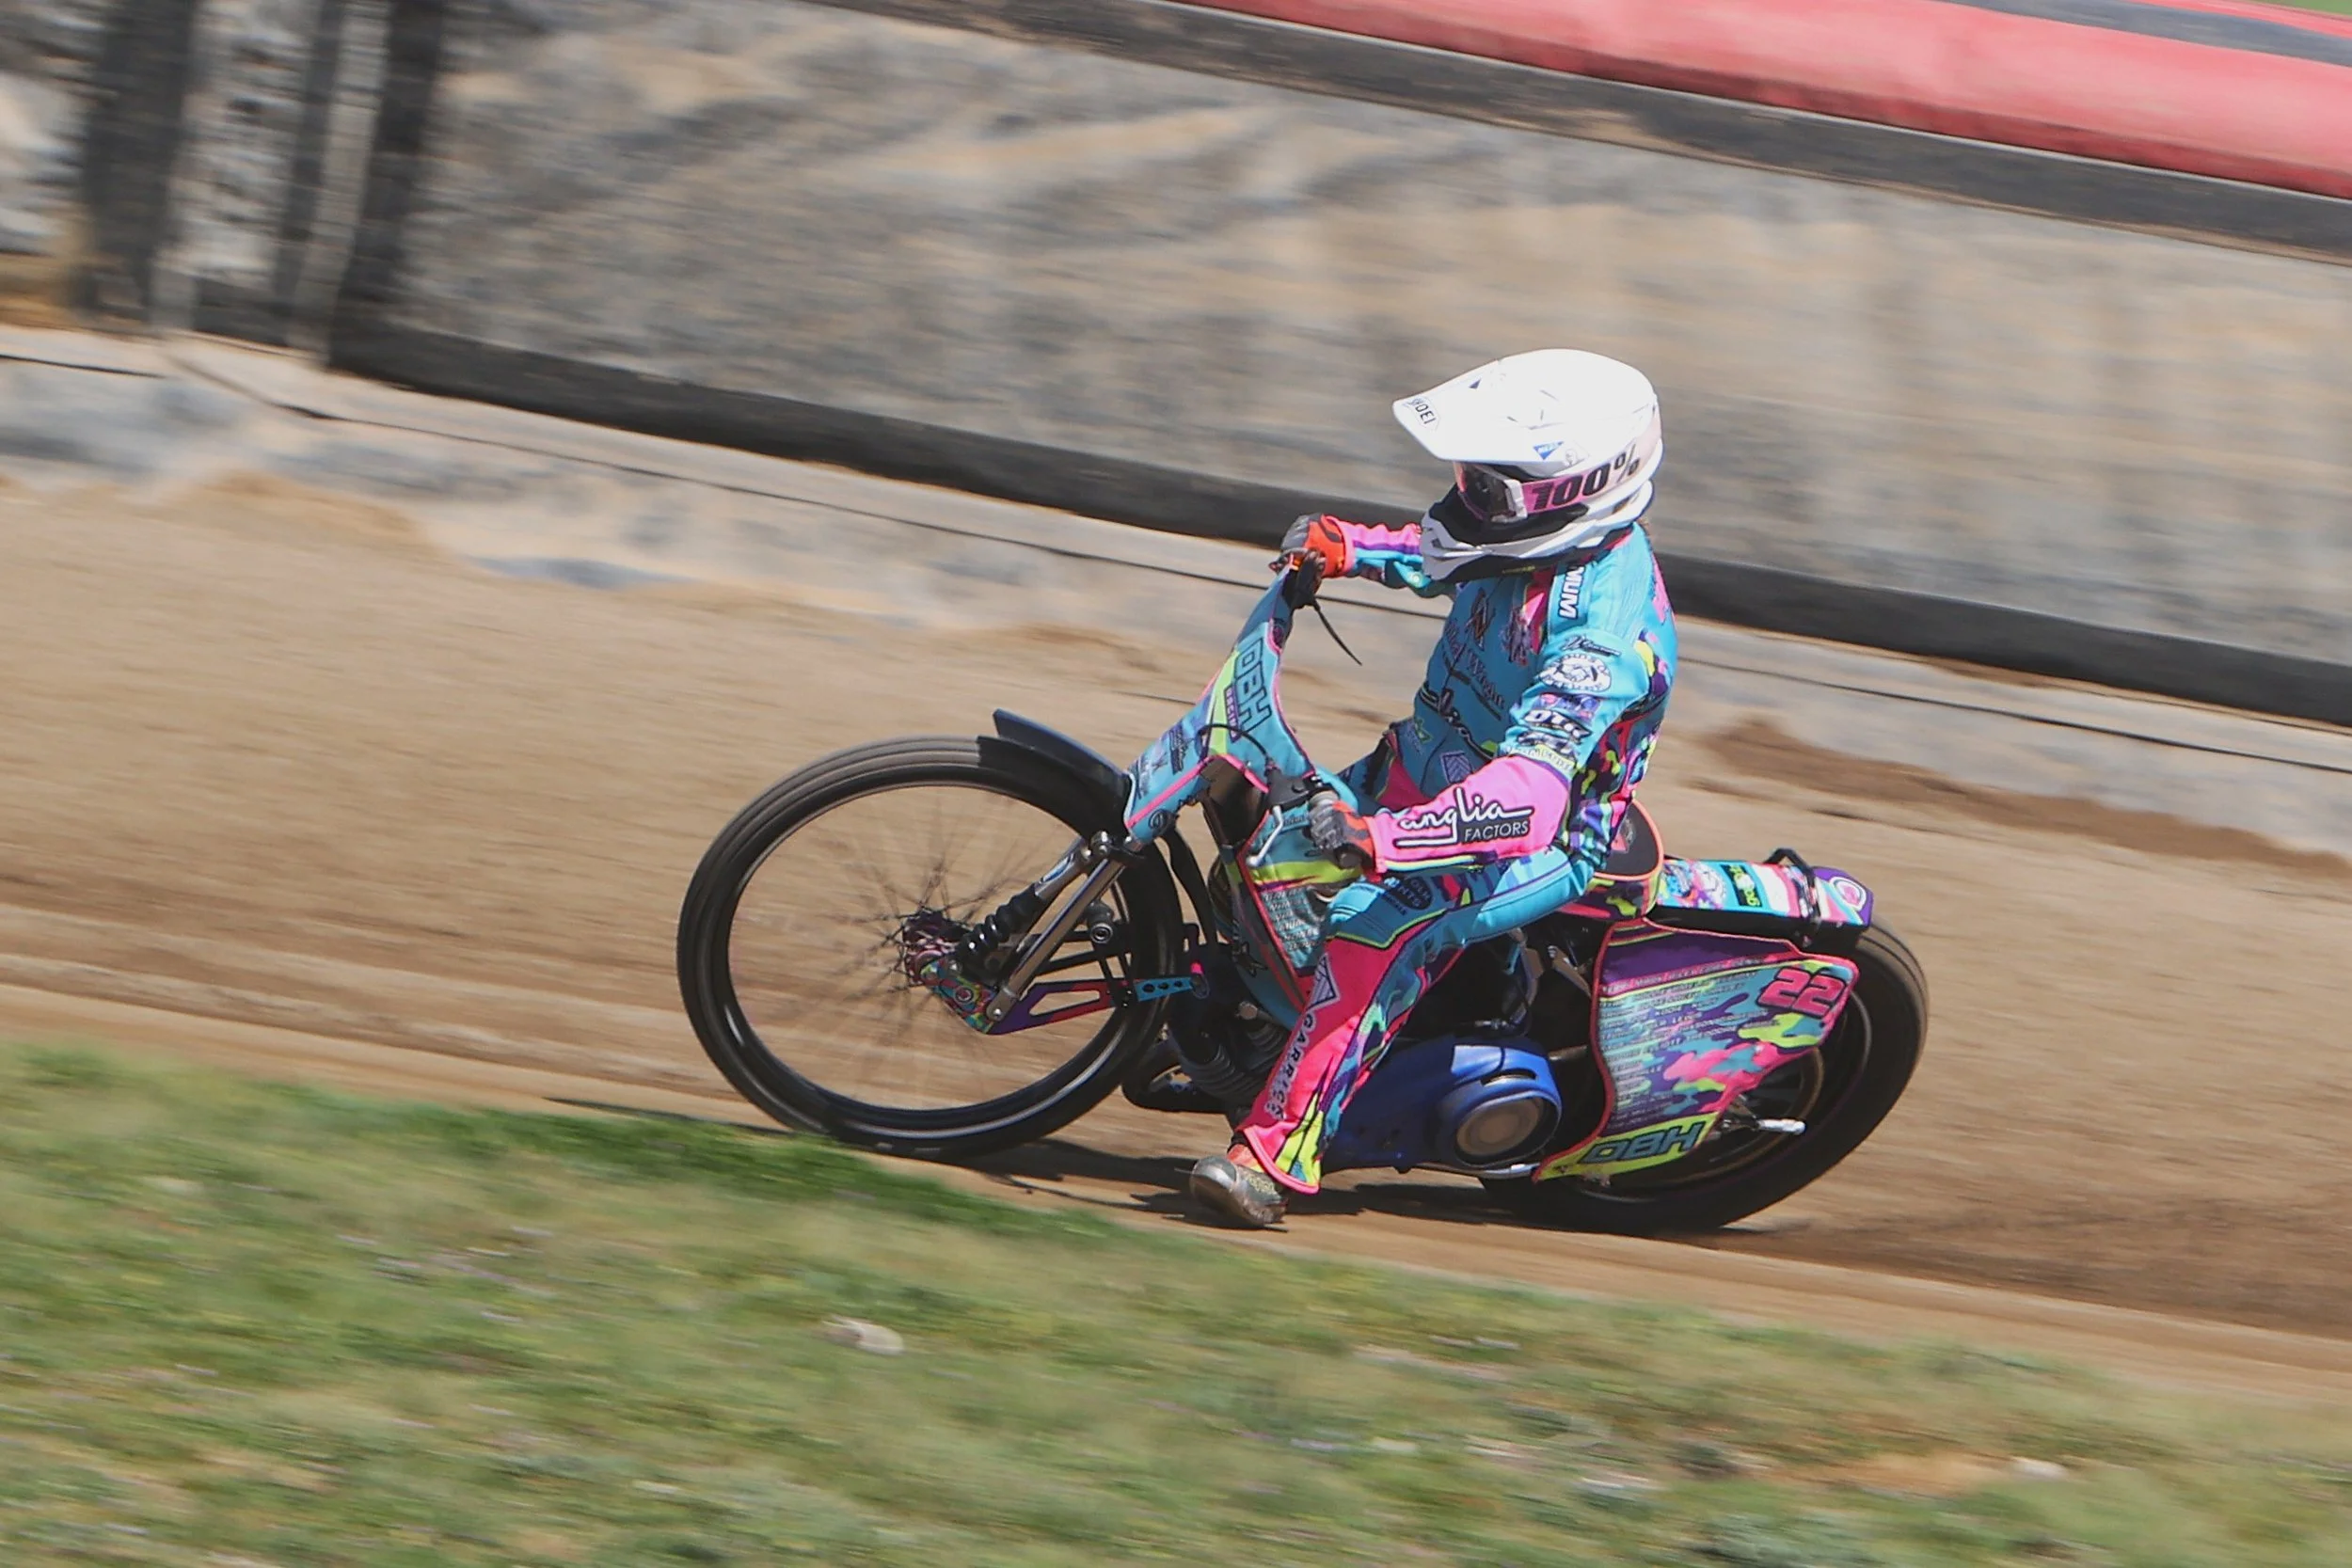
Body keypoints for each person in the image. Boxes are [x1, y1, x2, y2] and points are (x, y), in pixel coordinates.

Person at [1189, 348, 1678, 1227]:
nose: (1468, 498)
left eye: (1491, 488)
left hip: (1532, 837)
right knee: (1263, 845)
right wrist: (1349, 549)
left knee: (1371, 933)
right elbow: (1435, 552)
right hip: (1422, 765)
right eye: (1471, 478)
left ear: (1578, 492)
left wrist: (1388, 843)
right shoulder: (1526, 534)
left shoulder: (1599, 640)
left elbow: (1527, 796)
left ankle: (1274, 1156)